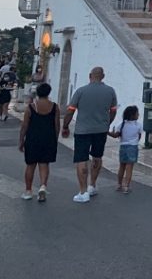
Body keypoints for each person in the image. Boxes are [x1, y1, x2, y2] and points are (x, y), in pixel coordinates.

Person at [61, 66, 117, 203]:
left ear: (90, 75)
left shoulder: (81, 91)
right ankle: (92, 185)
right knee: (97, 157)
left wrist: (65, 126)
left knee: (81, 159)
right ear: (103, 76)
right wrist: (107, 123)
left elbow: (70, 110)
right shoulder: (110, 91)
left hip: (83, 130)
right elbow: (113, 110)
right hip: (101, 130)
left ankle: (83, 191)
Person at [18, 82, 60, 202]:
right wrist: (55, 139)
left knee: (30, 165)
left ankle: (28, 191)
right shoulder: (54, 107)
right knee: (44, 164)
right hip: (48, 139)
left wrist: (21, 140)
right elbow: (57, 125)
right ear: (49, 93)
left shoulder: (31, 107)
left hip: (32, 139)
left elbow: (24, 126)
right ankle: (42, 186)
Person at [109, 105, 142, 193]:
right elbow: (139, 136)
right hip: (133, 147)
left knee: (122, 166)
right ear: (133, 115)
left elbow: (116, 135)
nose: (138, 115)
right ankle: (126, 186)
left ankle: (119, 184)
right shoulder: (138, 125)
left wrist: (108, 132)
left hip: (123, 146)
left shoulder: (121, 124)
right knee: (129, 168)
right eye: (137, 113)